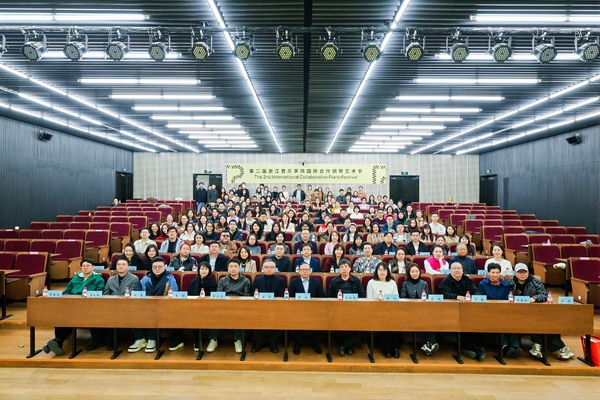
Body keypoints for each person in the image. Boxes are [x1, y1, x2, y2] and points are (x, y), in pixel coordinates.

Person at [510, 263, 574, 360]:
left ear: (528, 272)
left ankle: (540, 346)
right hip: (515, 312)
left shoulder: (535, 282)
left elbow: (544, 294)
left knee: (542, 323)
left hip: (534, 311)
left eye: (524, 272)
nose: (522, 274)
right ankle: (557, 347)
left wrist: (535, 298)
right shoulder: (510, 283)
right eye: (519, 272)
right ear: (515, 273)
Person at [43, 259, 106, 356]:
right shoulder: (75, 278)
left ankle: (56, 342)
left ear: (93, 267)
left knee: (72, 317)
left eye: (88, 265)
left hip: (90, 307)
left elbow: (100, 293)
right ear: (80, 268)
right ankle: (58, 341)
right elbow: (66, 291)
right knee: (62, 317)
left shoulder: (98, 279)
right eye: (83, 266)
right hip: (72, 305)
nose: (85, 267)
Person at [127, 257, 181, 353]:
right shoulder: (145, 278)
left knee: (158, 313)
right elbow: (138, 293)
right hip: (145, 305)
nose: (157, 269)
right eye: (154, 267)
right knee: (131, 312)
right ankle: (140, 339)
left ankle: (152, 339)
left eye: (160, 266)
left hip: (164, 306)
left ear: (165, 267)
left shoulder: (170, 278)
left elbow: (174, 294)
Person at [439, 262, 485, 361]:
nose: (457, 270)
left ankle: (476, 348)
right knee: (462, 324)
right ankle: (469, 348)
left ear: (462, 270)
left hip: (468, 310)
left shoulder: (467, 280)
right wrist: (456, 296)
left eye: (459, 268)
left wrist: (473, 297)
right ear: (450, 270)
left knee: (477, 322)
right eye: (454, 268)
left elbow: (476, 291)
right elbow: (444, 294)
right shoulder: (445, 281)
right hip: (451, 311)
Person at [206, 259, 252, 354]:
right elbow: (219, 295)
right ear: (227, 268)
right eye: (231, 267)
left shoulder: (245, 281)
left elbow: (246, 296)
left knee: (240, 315)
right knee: (213, 313)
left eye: (235, 267)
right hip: (224, 305)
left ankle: (238, 340)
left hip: (239, 306)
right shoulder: (222, 280)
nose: (233, 269)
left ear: (240, 268)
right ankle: (213, 340)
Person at [477, 262, 521, 357]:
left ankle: (515, 346)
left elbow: (507, 299)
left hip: (503, 310)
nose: (495, 275)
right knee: (498, 321)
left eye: (497, 273)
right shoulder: (483, 284)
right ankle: (504, 347)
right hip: (488, 311)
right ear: (488, 273)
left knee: (513, 320)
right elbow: (481, 299)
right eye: (493, 273)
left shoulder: (505, 285)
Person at [327, 259, 366, 356]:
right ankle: (349, 346)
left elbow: (362, 295)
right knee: (338, 326)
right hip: (338, 310)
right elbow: (329, 297)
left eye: (346, 267)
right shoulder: (334, 281)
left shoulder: (356, 280)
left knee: (361, 325)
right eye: (341, 267)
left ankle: (344, 346)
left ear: (350, 268)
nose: (344, 269)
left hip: (354, 310)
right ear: (339, 270)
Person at [400, 263, 439, 356]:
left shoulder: (424, 283)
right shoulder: (405, 284)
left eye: (416, 271)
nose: (415, 273)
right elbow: (402, 298)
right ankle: (427, 344)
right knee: (422, 319)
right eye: (412, 271)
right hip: (409, 310)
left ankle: (429, 344)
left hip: (423, 310)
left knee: (430, 319)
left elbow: (428, 298)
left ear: (420, 272)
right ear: (409, 273)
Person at [289, 262, 326, 354]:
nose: (305, 271)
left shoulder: (316, 281)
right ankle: (298, 343)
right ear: (299, 271)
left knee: (318, 319)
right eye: (302, 270)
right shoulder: (294, 282)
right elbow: (290, 297)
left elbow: (321, 295)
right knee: (297, 318)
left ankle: (316, 343)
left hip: (314, 308)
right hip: (298, 308)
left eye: (307, 269)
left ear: (310, 271)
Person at [366, 262, 400, 358]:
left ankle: (395, 348)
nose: (382, 272)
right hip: (375, 310)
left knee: (398, 321)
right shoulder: (371, 282)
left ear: (388, 272)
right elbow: (369, 299)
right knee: (385, 321)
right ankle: (387, 349)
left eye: (384, 270)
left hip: (391, 310)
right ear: (376, 271)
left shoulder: (392, 283)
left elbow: (396, 298)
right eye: (380, 270)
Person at [251, 259, 286, 353]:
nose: (269, 269)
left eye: (271, 267)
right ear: (262, 268)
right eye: (266, 267)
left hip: (275, 307)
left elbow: (281, 295)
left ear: (275, 269)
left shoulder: (280, 280)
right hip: (260, 307)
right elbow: (253, 294)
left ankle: (273, 344)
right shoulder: (257, 280)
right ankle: (258, 344)